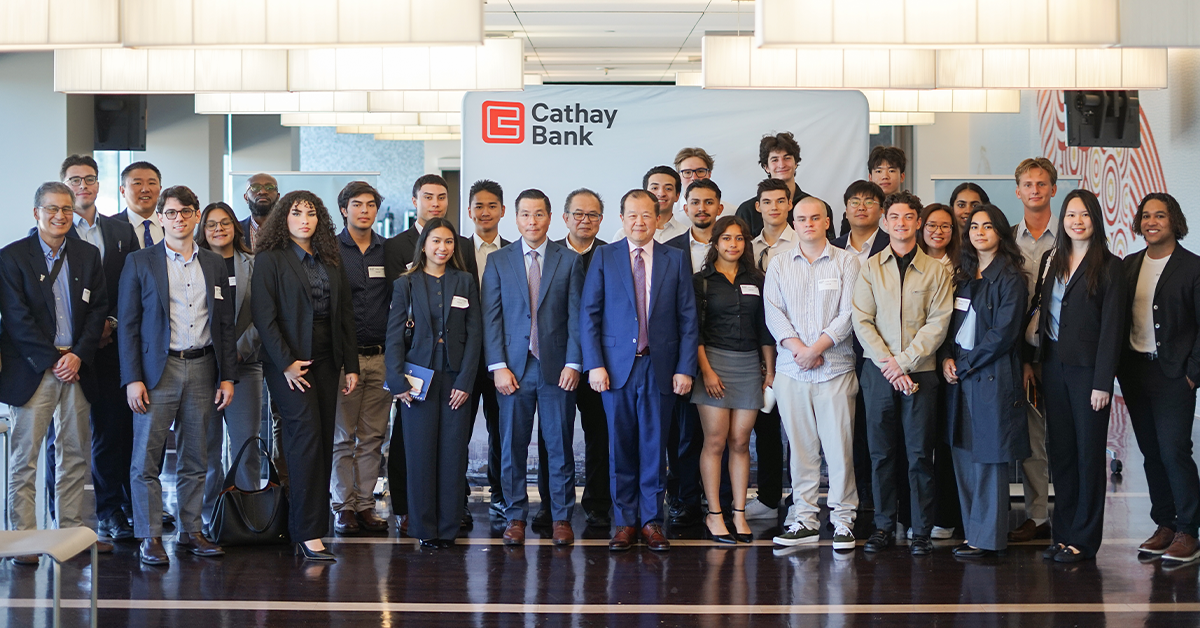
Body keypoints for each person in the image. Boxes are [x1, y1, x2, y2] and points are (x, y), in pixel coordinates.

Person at [119, 185, 237, 566]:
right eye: (171, 213)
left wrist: (227, 376)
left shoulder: (215, 263)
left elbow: (225, 324)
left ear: (196, 215)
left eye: (186, 212)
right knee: (146, 460)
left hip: (204, 366)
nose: (179, 219)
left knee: (197, 456)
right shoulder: (141, 262)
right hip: (158, 371)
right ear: (161, 217)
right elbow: (128, 326)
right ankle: (150, 536)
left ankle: (191, 530)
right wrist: (132, 378)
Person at [0, 182, 112, 565]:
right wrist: (53, 359)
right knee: (25, 458)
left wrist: (78, 355)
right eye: (52, 209)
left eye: (66, 209)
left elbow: (98, 309)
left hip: (78, 369)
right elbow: (16, 320)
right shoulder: (12, 257)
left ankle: (69, 532)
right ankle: (24, 540)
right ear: (37, 213)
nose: (60, 216)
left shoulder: (87, 254)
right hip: (34, 371)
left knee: (74, 456)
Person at [581, 189, 699, 552]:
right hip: (616, 370)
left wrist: (684, 368)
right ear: (621, 218)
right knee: (620, 447)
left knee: (655, 445)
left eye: (647, 215)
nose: (639, 222)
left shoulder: (675, 259)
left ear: (658, 218)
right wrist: (595, 364)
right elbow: (589, 315)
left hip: (659, 366)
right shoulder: (604, 256)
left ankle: (651, 521)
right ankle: (624, 521)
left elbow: (688, 318)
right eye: (632, 215)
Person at [251, 190, 359, 561]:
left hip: (328, 362)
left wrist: (352, 365)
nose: (304, 220)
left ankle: (309, 526)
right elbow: (264, 317)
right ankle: (306, 531)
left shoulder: (330, 258)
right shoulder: (270, 259)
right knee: (305, 440)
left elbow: (344, 314)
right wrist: (286, 364)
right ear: (284, 218)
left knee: (323, 440)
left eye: (311, 214)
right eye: (296, 213)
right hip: (288, 365)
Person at [852, 191, 953, 556]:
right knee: (880, 454)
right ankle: (882, 526)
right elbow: (861, 321)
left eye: (908, 217)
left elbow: (938, 323)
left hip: (920, 374)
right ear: (885, 221)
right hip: (879, 373)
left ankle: (920, 529)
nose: (900, 223)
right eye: (894, 217)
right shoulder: (869, 267)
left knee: (919, 454)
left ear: (918, 222)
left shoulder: (938, 270)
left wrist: (904, 362)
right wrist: (889, 365)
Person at [483, 189, 585, 547]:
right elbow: (491, 317)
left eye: (538, 214)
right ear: (516, 218)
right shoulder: (499, 260)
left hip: (557, 369)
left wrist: (574, 362)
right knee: (512, 446)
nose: (532, 221)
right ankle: (514, 517)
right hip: (513, 369)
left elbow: (577, 317)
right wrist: (497, 366)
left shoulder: (568, 260)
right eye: (525, 215)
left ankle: (561, 517)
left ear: (550, 217)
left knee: (559, 446)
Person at [1029, 188, 1124, 563]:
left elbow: (1113, 327)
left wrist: (1104, 381)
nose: (1077, 221)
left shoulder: (1110, 265)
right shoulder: (1054, 259)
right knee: (1062, 453)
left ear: (1095, 219)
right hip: (1053, 367)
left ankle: (1083, 541)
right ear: (1062, 220)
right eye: (1070, 215)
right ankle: (1063, 533)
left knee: (1087, 456)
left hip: (1089, 374)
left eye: (1084, 214)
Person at [764, 195, 860, 550]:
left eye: (814, 218)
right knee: (801, 452)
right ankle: (803, 519)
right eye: (801, 218)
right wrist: (799, 350)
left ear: (826, 222)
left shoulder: (846, 262)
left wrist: (817, 348)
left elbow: (849, 313)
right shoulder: (777, 264)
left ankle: (842, 521)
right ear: (794, 221)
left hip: (834, 369)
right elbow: (773, 313)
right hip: (792, 370)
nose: (807, 224)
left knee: (839, 450)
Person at [382, 174, 474, 531]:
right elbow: (393, 337)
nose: (443, 247)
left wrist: (466, 380)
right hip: (415, 380)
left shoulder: (464, 281)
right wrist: (396, 380)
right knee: (419, 455)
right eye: (436, 240)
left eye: (449, 241)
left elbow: (475, 333)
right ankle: (422, 527)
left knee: (452, 456)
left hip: (454, 379)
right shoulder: (405, 283)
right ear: (424, 244)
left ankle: (449, 526)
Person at [940, 203, 1029, 558]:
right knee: (963, 453)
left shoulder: (1011, 278)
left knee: (990, 459)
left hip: (989, 375)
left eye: (988, 226)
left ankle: (989, 539)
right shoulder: (964, 274)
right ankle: (973, 531)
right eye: (974, 226)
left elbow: (1003, 335)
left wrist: (965, 364)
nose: (979, 232)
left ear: (1001, 233)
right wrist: (947, 356)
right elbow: (949, 324)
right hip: (960, 373)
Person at [59, 155, 140, 542]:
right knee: (67, 437)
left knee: (114, 431)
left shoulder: (121, 229)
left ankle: (112, 510)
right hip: (70, 352)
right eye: (75, 180)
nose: (83, 186)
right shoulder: (53, 232)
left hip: (112, 348)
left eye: (90, 179)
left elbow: (131, 285)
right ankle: (60, 519)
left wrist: (111, 325)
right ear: (64, 185)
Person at [1120, 193, 1200, 564]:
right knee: (1151, 453)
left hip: (1174, 376)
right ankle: (1165, 523)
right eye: (1146, 215)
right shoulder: (1128, 265)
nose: (1152, 221)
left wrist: (1192, 374)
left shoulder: (1192, 267)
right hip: (1136, 373)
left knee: (1174, 452)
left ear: (1174, 221)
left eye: (1160, 215)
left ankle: (1188, 531)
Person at [691, 216, 775, 544]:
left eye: (738, 239)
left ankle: (739, 513)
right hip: (713, 363)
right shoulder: (702, 281)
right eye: (726, 239)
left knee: (740, 441)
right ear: (715, 244)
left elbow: (765, 328)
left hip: (749, 366)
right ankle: (715, 514)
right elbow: (693, 332)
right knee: (715, 441)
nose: (732, 245)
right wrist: (707, 372)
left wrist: (769, 370)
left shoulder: (757, 278)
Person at [329, 182, 393, 536]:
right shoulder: (331, 250)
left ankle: (366, 504)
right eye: (357, 205)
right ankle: (343, 506)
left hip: (382, 357)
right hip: (344, 361)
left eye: (370, 205)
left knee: (372, 437)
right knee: (343, 437)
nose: (364, 210)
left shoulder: (389, 249)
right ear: (344, 209)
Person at [546, 188, 612, 528]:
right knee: (554, 435)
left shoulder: (613, 255)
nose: (585, 221)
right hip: (558, 362)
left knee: (600, 434)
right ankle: (551, 504)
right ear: (565, 218)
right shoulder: (550, 254)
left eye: (593, 215)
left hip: (602, 363)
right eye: (578, 214)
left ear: (602, 220)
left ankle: (598, 501)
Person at [196, 202, 263, 531]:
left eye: (224, 223)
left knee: (246, 444)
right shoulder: (192, 264)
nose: (218, 229)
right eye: (211, 224)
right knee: (206, 448)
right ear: (203, 230)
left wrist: (236, 352)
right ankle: (211, 516)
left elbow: (266, 315)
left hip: (245, 367)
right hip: (204, 368)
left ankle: (249, 514)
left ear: (236, 228)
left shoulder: (254, 264)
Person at [663, 179, 721, 527]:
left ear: (719, 207)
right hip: (681, 354)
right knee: (681, 435)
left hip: (723, 352)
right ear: (685, 208)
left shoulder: (731, 245)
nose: (702, 208)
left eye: (709, 202)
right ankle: (683, 499)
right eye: (695, 202)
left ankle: (717, 498)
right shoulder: (669, 250)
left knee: (717, 435)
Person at [831, 180, 890, 511]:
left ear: (881, 210)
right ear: (845, 209)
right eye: (855, 201)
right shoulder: (832, 247)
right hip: (838, 352)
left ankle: (873, 504)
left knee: (874, 430)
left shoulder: (891, 244)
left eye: (870, 201)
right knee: (843, 432)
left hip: (879, 352)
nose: (862, 206)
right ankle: (846, 502)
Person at [1010, 157, 1058, 544]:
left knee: (1072, 437)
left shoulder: (1075, 235)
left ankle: (1074, 515)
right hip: (1022, 353)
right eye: (1028, 184)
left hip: (1065, 352)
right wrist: (1024, 360)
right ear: (1018, 191)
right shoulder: (1008, 239)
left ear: (1053, 189)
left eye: (1042, 184)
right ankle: (1038, 515)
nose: (1035, 190)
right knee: (1033, 437)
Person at [743, 178, 796, 522]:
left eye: (781, 201)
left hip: (796, 348)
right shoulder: (746, 245)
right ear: (758, 206)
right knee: (765, 424)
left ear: (790, 205)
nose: (774, 207)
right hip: (758, 348)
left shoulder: (803, 242)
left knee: (798, 428)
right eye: (767, 201)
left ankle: (800, 501)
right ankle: (768, 497)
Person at [464, 179, 511, 523]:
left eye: (491, 206)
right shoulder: (454, 250)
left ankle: (500, 496)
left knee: (501, 432)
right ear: (469, 211)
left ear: (503, 211)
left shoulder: (514, 251)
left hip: (502, 358)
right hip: (463, 358)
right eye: (478, 206)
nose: (485, 212)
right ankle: (456, 499)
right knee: (458, 431)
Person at [918, 202, 964, 541]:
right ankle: (917, 514)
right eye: (932, 225)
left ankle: (948, 514)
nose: (938, 231)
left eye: (945, 226)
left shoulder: (963, 267)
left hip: (951, 366)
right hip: (916, 365)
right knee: (919, 444)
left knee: (947, 443)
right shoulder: (911, 264)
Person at [736, 132, 835, 240]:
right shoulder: (747, 211)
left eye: (787, 158)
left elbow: (829, 248)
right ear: (766, 167)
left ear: (796, 163)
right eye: (775, 160)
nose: (781, 164)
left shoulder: (818, 207)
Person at [612, 166, 687, 243]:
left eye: (668, 189)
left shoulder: (686, 234)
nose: (661, 193)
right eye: (654, 188)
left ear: (677, 196)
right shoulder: (623, 234)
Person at [116, 161, 165, 249]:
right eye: (137, 183)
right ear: (122, 191)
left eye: (151, 183)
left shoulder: (170, 223)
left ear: (160, 189)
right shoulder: (110, 227)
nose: (145, 189)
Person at [240, 173, 280, 251]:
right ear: (246, 198)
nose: (262, 192)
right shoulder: (236, 230)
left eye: (269, 187)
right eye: (255, 187)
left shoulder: (289, 229)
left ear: (278, 197)